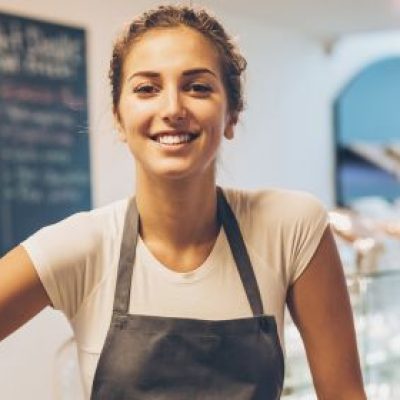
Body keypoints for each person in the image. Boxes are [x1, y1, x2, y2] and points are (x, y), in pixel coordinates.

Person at [0, 4, 367, 400]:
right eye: (146, 88)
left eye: (198, 87)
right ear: (119, 119)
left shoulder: (292, 226)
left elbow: (345, 395)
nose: (173, 109)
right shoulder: (84, 246)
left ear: (231, 115)